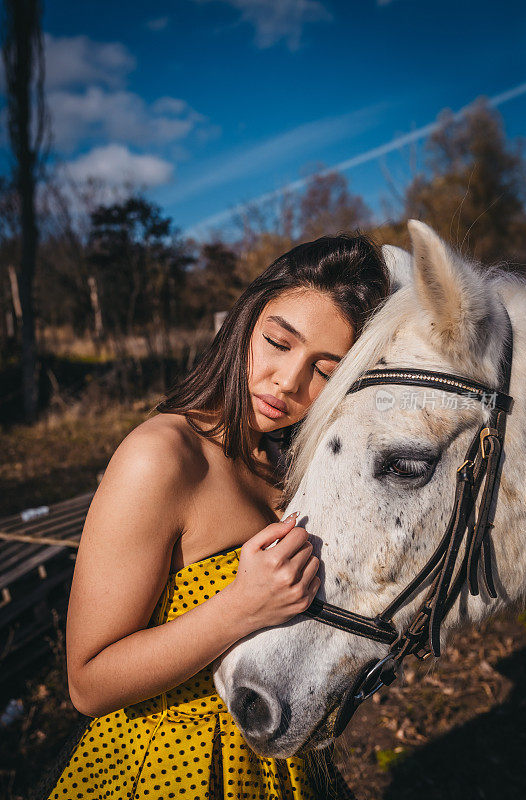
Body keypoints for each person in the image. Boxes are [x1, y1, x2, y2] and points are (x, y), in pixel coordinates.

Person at [41, 233, 390, 800]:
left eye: (325, 370)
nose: (288, 381)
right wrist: (240, 607)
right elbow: (87, 683)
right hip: (173, 768)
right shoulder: (162, 458)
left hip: (280, 758)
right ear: (244, 322)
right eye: (279, 343)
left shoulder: (286, 462)